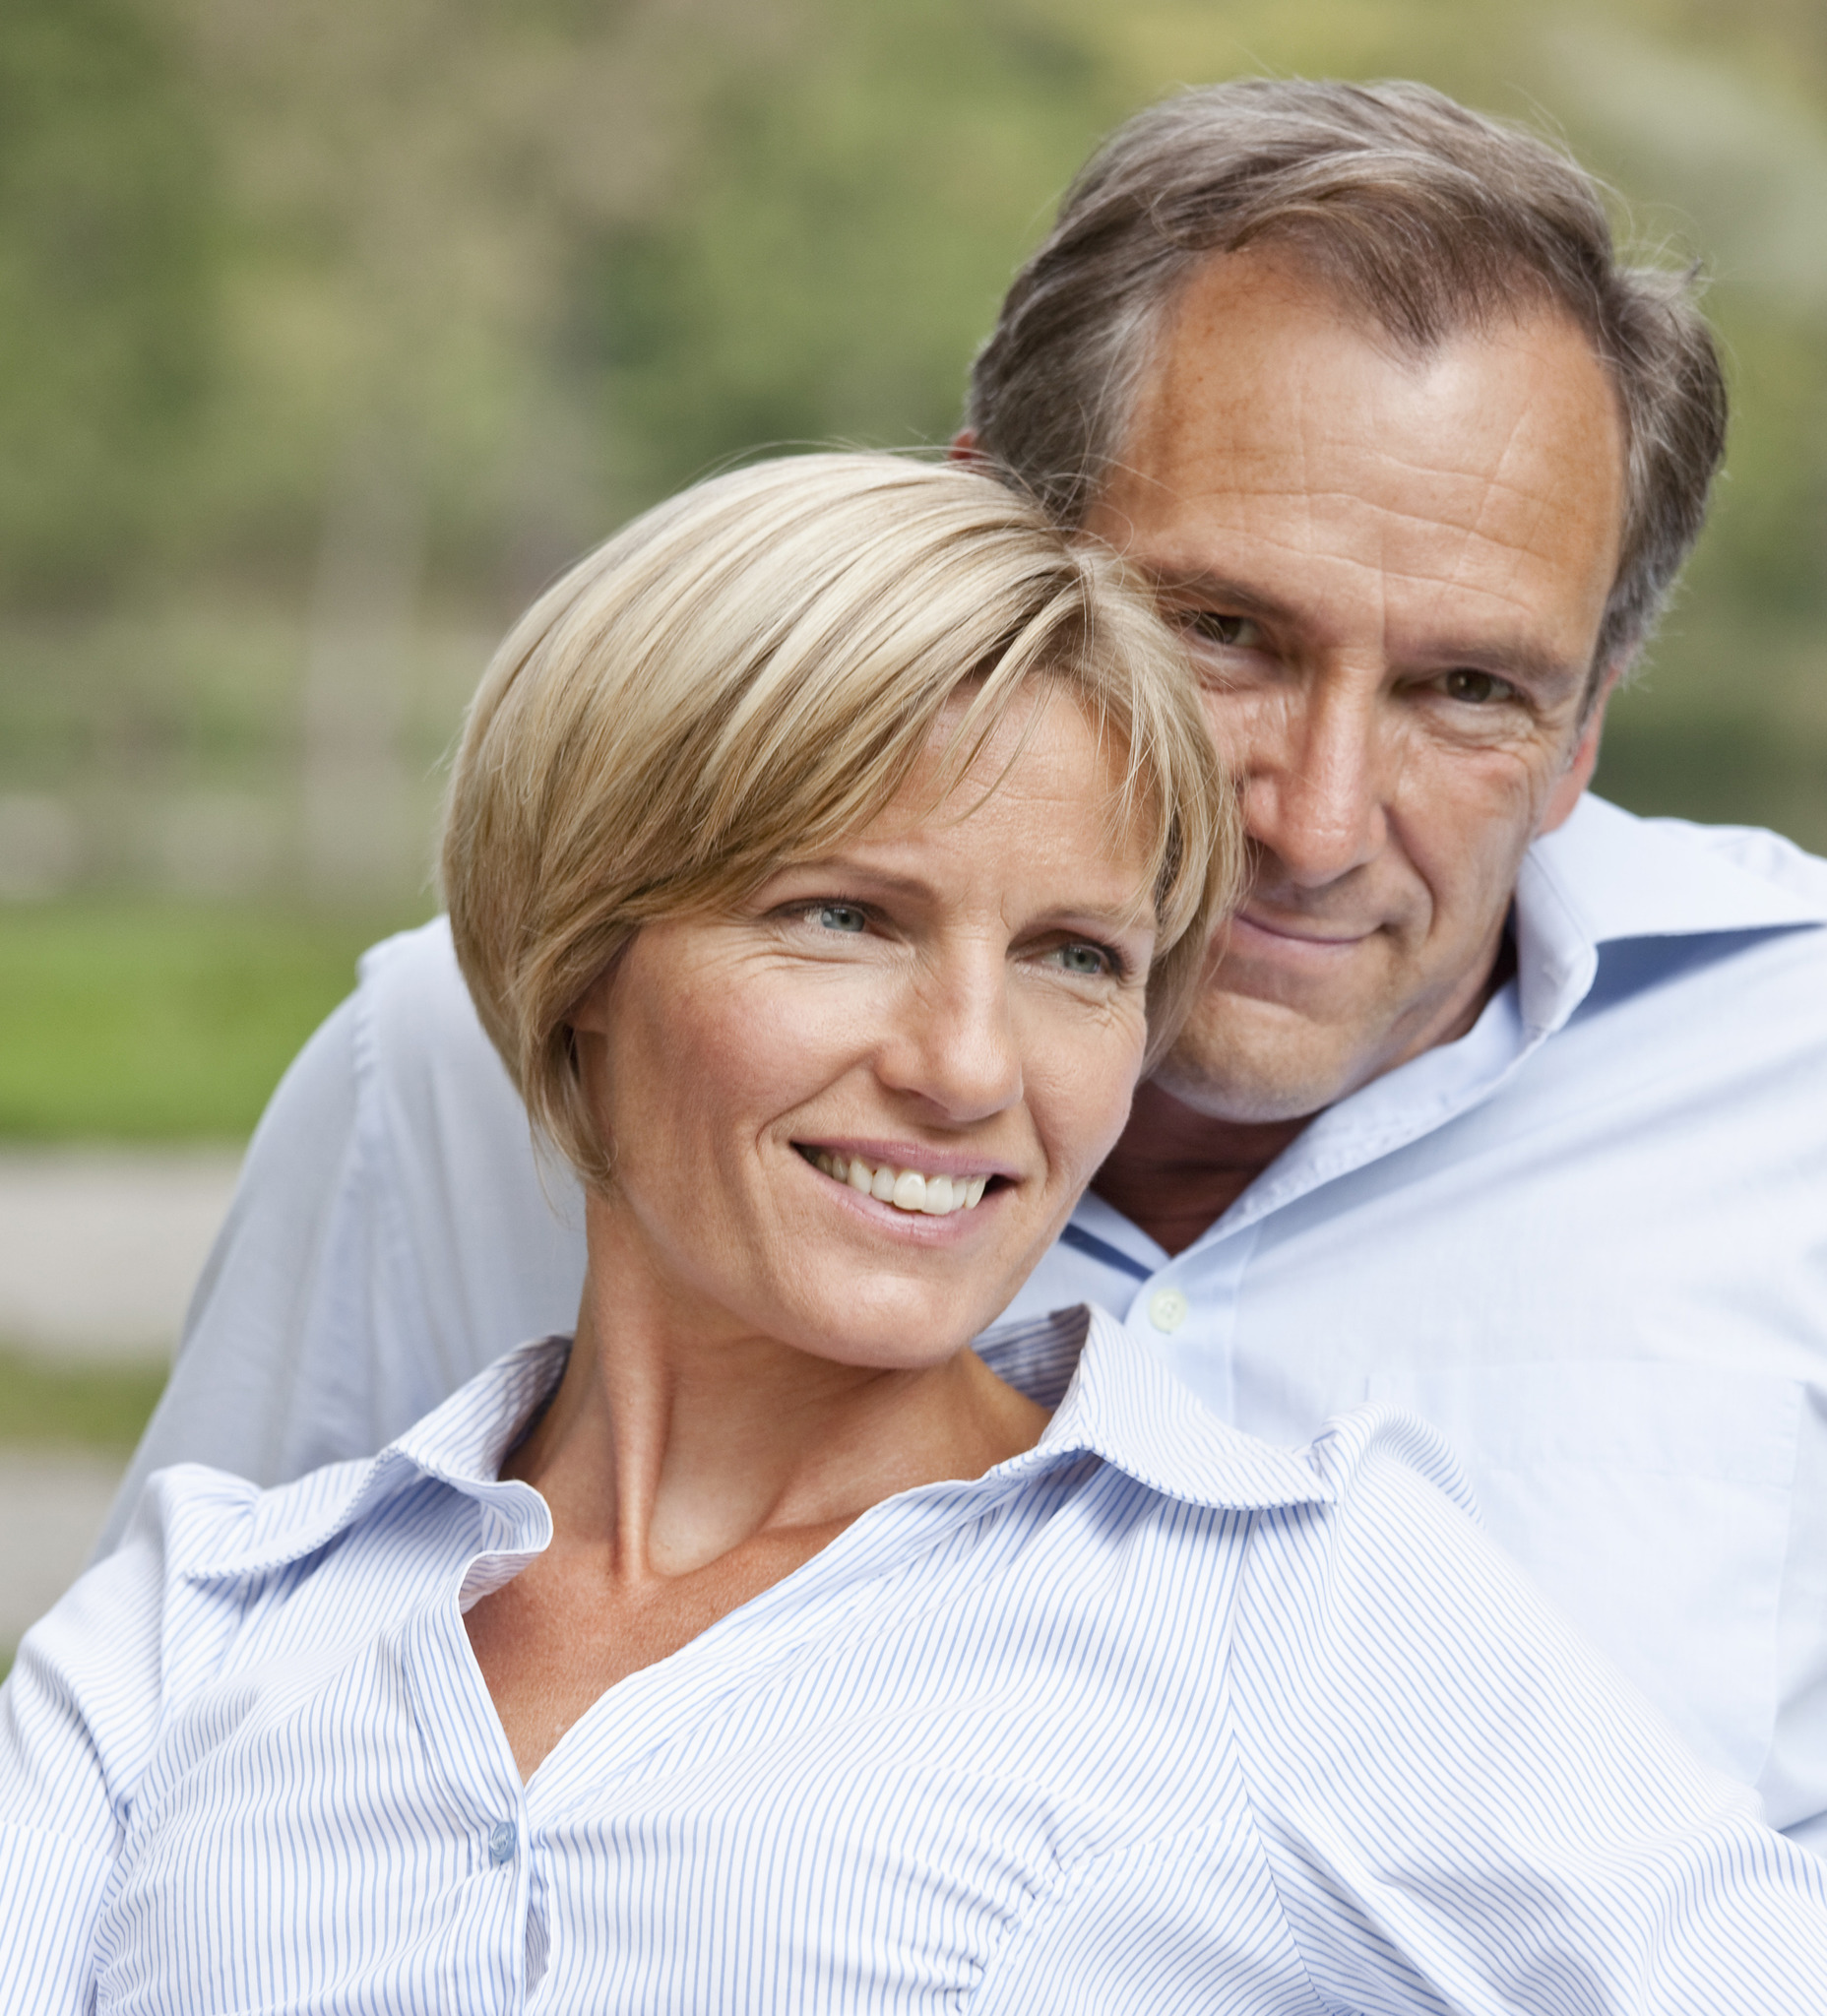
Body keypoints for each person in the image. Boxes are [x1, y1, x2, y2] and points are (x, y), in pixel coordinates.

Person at [106, 80, 1827, 1850]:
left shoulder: (1797, 1088)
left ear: (1584, 729)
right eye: (1222, 632)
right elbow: (183, 1768)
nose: (1315, 823)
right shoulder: (467, 1060)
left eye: (1469, 690)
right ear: (982, 560)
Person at [9, 452, 1827, 2011]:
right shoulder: (203, 1623)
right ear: (578, 955)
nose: (967, 1067)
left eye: (1076, 958)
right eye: (845, 918)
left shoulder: (1298, 1605)